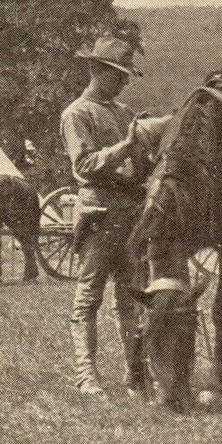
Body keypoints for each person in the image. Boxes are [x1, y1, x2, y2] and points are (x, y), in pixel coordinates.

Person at [61, 34, 153, 397]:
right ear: (95, 70)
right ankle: (86, 376)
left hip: (131, 215)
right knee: (89, 298)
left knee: (132, 299)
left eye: (127, 74)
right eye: (118, 73)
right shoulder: (76, 114)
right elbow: (84, 164)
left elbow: (140, 166)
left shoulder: (125, 113)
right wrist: (127, 145)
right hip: (99, 214)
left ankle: (136, 373)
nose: (125, 80)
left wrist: (149, 152)